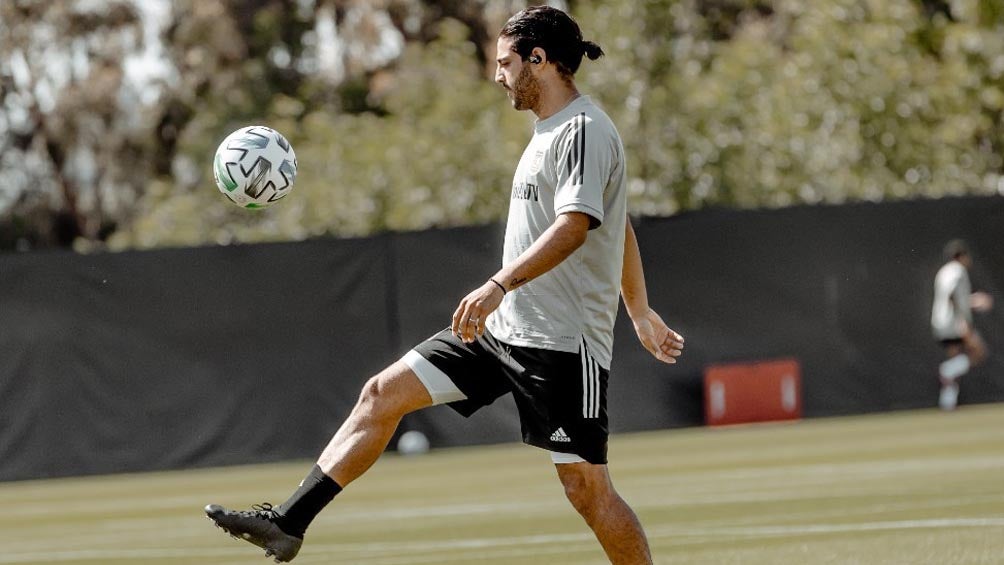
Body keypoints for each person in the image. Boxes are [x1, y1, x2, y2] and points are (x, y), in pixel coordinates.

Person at [205, 6, 684, 564]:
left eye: (505, 62)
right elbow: (617, 219)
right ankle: (289, 523)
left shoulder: (584, 128)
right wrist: (641, 311)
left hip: (560, 344)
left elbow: (578, 227)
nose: (498, 74)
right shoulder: (547, 131)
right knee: (381, 395)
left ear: (540, 59)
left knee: (587, 491)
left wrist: (500, 285)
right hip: (501, 332)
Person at [930, 239, 992, 410]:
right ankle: (947, 371)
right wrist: (962, 321)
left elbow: (953, 298)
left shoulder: (943, 271)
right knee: (979, 352)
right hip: (953, 324)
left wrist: (973, 301)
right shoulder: (957, 271)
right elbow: (951, 296)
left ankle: (947, 403)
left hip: (939, 323)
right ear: (961, 256)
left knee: (956, 360)